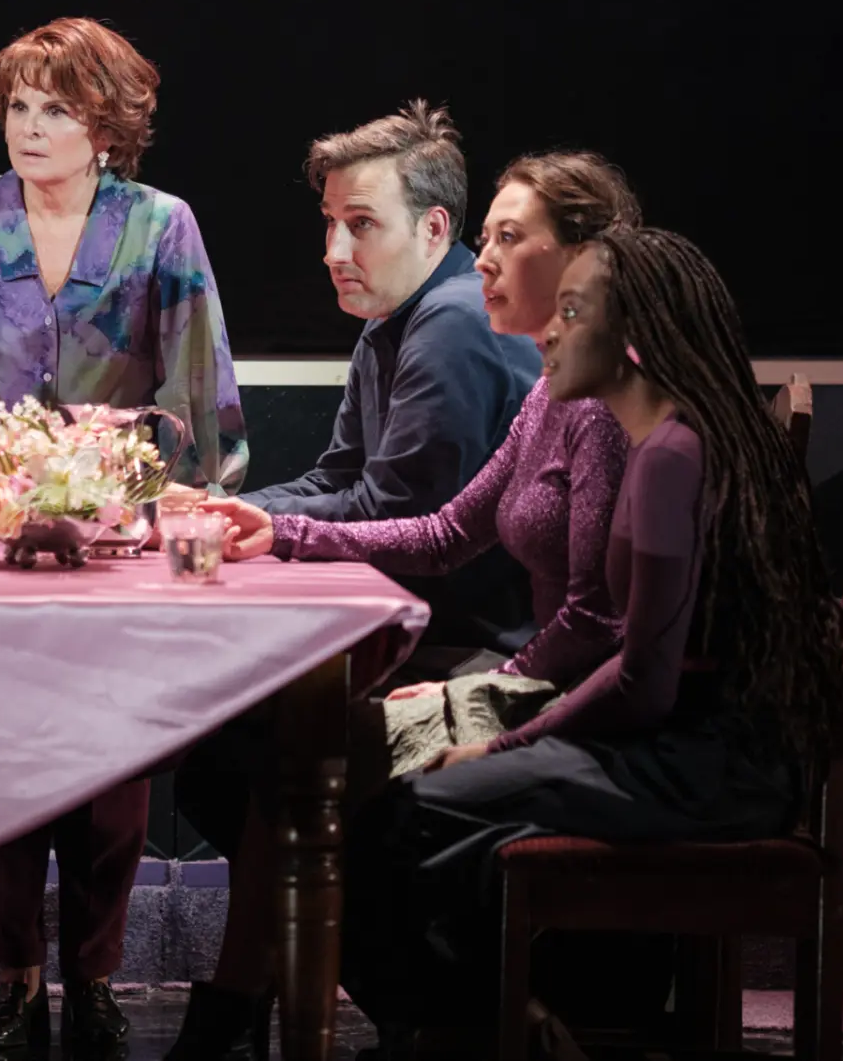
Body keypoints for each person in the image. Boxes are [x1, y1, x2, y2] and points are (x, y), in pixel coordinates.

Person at [165, 152, 640, 1058]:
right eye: (329, 224)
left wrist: (485, 692)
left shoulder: (498, 345)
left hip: (512, 657)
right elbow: (427, 522)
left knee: (293, 761)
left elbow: (591, 618)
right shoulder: (517, 371)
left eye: (506, 238)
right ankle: (379, 1014)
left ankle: (435, 1017)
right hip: (488, 651)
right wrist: (264, 523)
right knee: (263, 757)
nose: (334, 250)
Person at [341, 226, 840, 1053]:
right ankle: (488, 1027)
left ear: (632, 337)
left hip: (703, 770)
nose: (549, 331)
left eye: (572, 313)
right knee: (434, 821)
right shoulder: (671, 440)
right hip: (704, 754)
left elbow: (644, 681)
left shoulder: (670, 457)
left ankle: (493, 1033)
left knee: (397, 817)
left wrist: (504, 744)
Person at [0, 17, 249, 1056]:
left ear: (107, 127)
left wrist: (190, 503)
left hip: (115, 534)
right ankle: (14, 974)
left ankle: (94, 975)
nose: (29, 128)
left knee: (111, 768)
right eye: (18, 108)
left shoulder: (160, 225)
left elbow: (195, 380)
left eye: (57, 110)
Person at [232, 102, 542, 671]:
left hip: (477, 647)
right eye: (330, 221)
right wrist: (225, 510)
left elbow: (394, 515)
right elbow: (338, 478)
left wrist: (267, 526)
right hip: (422, 624)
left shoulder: (454, 319)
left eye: (361, 224)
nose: (333, 252)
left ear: (434, 228)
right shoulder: (390, 315)